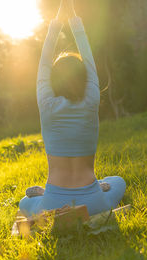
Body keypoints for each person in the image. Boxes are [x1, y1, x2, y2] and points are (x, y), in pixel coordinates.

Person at [19, 0, 126, 217]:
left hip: (53, 203)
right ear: (86, 78)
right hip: (94, 203)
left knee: (24, 202)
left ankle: (42, 194)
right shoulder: (91, 100)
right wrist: (74, 19)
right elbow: (88, 58)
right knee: (118, 182)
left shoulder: (46, 102)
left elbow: (45, 61)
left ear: (53, 80)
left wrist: (58, 21)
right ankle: (100, 186)